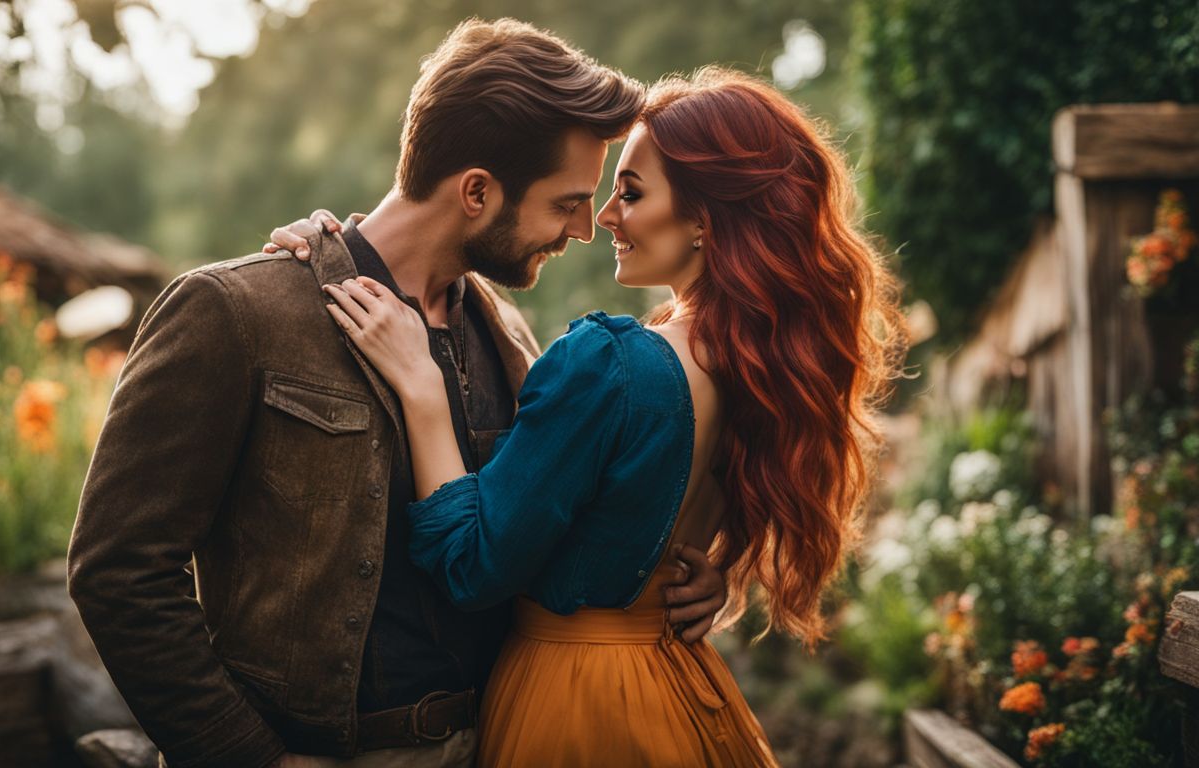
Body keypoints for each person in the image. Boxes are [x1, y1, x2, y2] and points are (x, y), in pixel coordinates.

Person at [68, 19, 729, 768]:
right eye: (566, 203)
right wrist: (250, 758)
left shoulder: (514, 341)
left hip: (495, 740)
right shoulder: (235, 313)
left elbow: (536, 538)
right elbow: (118, 569)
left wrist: (688, 575)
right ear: (476, 191)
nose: (585, 228)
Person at [314, 67, 907, 767]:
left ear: (704, 219)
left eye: (631, 192)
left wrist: (421, 389)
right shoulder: (762, 367)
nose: (603, 217)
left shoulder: (611, 365)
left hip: (575, 701)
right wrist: (708, 575)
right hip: (677, 685)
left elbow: (471, 566)